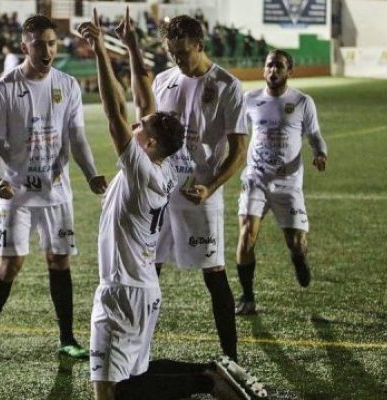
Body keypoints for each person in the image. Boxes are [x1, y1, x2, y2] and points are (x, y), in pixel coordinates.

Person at [78, 9, 265, 400]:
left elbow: (115, 113)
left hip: (123, 290)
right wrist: (129, 45)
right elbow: (144, 97)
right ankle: (209, 373)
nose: (137, 123)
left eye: (142, 127)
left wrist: (99, 50)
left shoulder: (143, 169)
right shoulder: (158, 167)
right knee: (131, 381)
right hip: (141, 286)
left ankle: (211, 376)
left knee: (112, 392)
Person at [0, 15, 108, 363]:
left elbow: (76, 136)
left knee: (59, 260)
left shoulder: (68, 85)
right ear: (24, 47)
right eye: (38, 44)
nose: (47, 50)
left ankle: (67, 338)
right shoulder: (2, 89)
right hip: (16, 193)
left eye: (51, 43)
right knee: (10, 264)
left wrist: (91, 174)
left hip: (57, 191)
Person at [152, 15, 248, 362]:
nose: (177, 60)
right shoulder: (163, 81)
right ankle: (137, 350)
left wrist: (210, 186)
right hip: (161, 194)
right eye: (172, 53)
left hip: (200, 194)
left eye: (183, 53)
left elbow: (239, 152)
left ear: (200, 45)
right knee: (150, 268)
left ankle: (231, 358)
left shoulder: (227, 86)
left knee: (214, 272)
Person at [234, 49, 327, 315]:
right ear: (264, 70)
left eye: (279, 66)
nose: (273, 70)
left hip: (288, 181)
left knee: (296, 243)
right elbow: (238, 136)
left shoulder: (302, 102)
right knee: (246, 235)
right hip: (256, 177)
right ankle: (248, 297)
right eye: (269, 65)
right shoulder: (249, 99)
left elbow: (315, 135)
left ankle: (299, 259)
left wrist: (320, 152)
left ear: (289, 71)